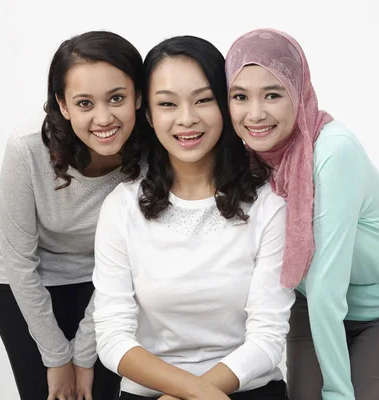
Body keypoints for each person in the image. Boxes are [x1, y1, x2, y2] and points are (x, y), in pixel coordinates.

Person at [225, 28, 379, 400]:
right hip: (311, 308)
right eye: (240, 96)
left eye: (273, 94)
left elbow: (327, 284)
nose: (255, 113)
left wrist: (339, 393)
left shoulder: (333, 151)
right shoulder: (250, 159)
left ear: (299, 91)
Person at [92, 35, 294, 400]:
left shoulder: (268, 206)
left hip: (246, 389)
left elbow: (267, 338)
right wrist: (187, 392)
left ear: (226, 104)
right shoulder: (121, 208)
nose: (187, 119)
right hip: (149, 393)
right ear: (149, 115)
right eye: (168, 104)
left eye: (203, 100)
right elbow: (111, 336)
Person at [0, 30, 145, 400]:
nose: (103, 118)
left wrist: (85, 356)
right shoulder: (27, 148)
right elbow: (18, 260)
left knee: (101, 392)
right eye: (85, 103)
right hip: (22, 279)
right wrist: (58, 358)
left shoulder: (152, 158)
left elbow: (130, 262)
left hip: (108, 279)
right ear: (62, 104)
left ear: (138, 96)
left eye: (117, 98)